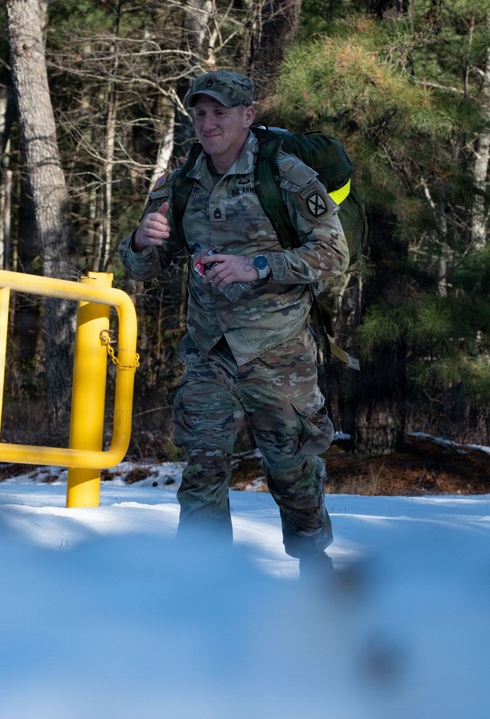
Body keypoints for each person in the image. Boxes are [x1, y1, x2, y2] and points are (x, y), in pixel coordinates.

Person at [118, 70, 348, 577]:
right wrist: (140, 240)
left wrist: (259, 266)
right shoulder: (179, 183)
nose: (208, 123)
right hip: (209, 351)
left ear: (247, 116)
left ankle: (316, 568)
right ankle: (205, 583)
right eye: (200, 113)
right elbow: (140, 270)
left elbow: (334, 254)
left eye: (220, 112)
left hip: (279, 350)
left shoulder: (286, 176)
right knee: (202, 466)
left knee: (290, 470)